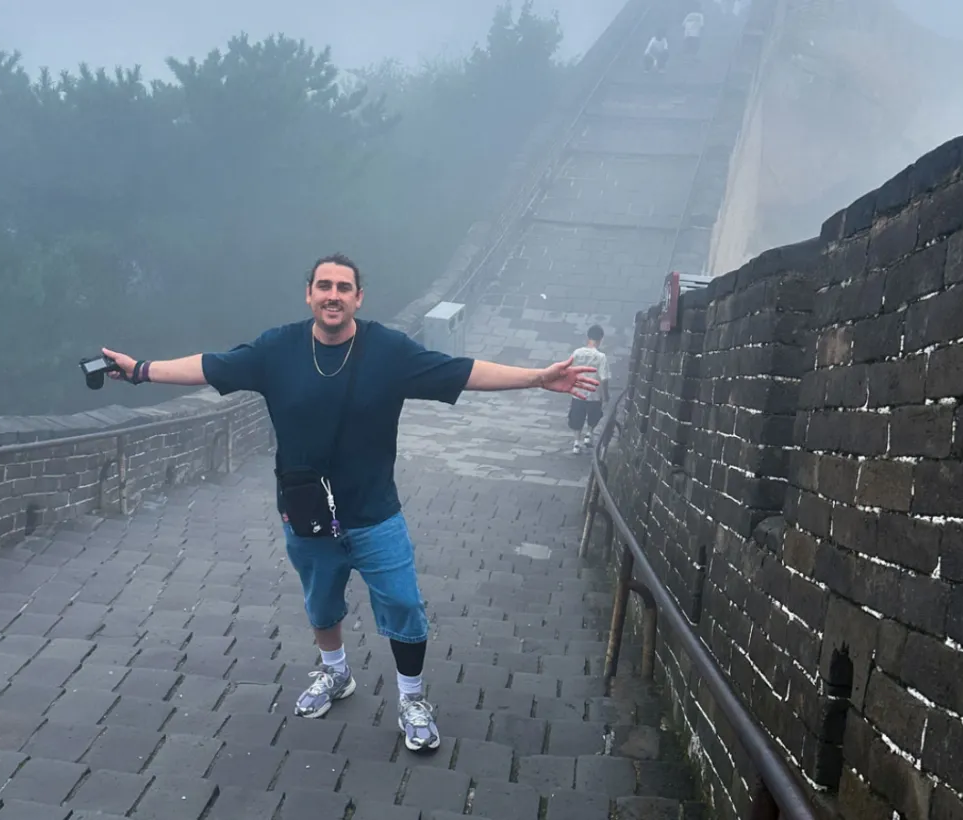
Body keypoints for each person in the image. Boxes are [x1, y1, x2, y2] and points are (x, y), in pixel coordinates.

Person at [99, 253, 598, 754]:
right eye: (324, 286)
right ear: (309, 294)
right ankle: (336, 674)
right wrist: (141, 370)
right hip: (307, 513)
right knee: (321, 606)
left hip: (375, 510)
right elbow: (211, 366)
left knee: (403, 603)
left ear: (358, 297)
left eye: (343, 287)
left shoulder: (388, 350)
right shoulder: (278, 349)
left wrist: (536, 377)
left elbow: (460, 371)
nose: (332, 295)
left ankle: (412, 698)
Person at [567, 325, 611, 454]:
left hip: (578, 391)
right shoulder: (601, 357)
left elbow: (569, 370)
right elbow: (604, 378)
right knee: (594, 416)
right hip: (594, 393)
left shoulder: (577, 353)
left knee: (576, 417)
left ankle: (576, 443)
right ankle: (589, 434)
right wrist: (605, 395)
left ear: (588, 337)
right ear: (601, 339)